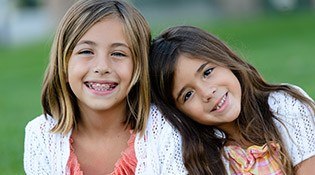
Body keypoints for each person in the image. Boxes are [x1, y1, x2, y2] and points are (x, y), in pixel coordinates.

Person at [24, 0, 187, 174]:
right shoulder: (41, 134)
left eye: (118, 53)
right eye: (86, 51)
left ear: (139, 67)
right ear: (63, 65)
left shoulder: (165, 129)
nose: (102, 67)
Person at [149, 25, 315, 175]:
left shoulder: (284, 106)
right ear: (179, 112)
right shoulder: (199, 159)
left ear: (225, 60)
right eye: (188, 95)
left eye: (207, 72)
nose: (207, 93)